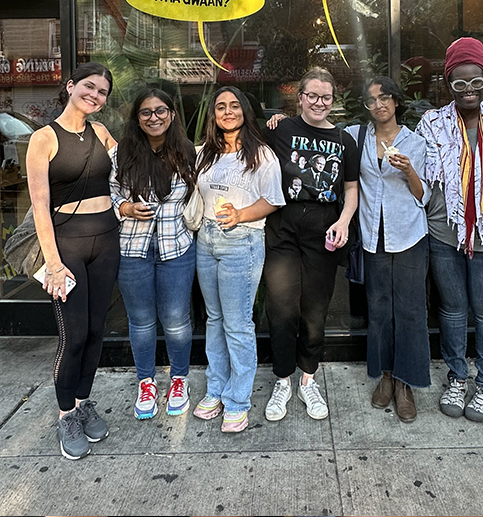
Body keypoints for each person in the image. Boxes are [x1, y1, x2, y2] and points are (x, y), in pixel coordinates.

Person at [416, 37, 483, 423]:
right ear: (448, 85)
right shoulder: (432, 123)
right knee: (453, 309)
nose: (468, 91)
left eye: (475, 82)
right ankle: (458, 377)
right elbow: (420, 172)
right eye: (459, 83)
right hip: (445, 232)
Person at [24, 62, 120, 461]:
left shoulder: (101, 132)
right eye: (89, 87)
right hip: (67, 248)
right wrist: (53, 264)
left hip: (106, 242)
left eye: (102, 92)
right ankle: (66, 415)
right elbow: (40, 206)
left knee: (97, 332)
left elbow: (135, 164)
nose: (95, 95)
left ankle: (83, 403)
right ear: (71, 86)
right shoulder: (43, 139)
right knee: (74, 335)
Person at [262, 67, 360, 423]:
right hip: (284, 224)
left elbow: (351, 189)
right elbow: (245, 153)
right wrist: (273, 120)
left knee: (315, 309)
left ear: (333, 100)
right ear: (299, 97)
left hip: (325, 227)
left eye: (326, 97)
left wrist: (343, 221)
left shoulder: (344, 140)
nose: (319, 102)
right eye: (313, 95)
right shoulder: (281, 129)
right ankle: (283, 380)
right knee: (282, 306)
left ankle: (308, 378)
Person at [191, 84, 284, 433]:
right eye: (220, 107)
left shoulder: (261, 154)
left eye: (233, 105)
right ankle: (216, 388)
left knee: (239, 324)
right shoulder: (206, 154)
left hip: (242, 240)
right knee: (214, 319)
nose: (227, 111)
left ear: (245, 110)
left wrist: (241, 214)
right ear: (213, 116)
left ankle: (238, 399)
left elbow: (273, 200)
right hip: (207, 240)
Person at [111, 87, 198, 422]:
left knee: (176, 322)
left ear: (172, 114)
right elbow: (108, 191)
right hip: (132, 250)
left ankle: (179, 379)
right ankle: (146, 382)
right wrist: (124, 206)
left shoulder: (187, 152)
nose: (154, 117)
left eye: (161, 111)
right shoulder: (122, 153)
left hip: (176, 248)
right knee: (141, 321)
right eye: (146, 112)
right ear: (137, 118)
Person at [349, 76, 430, 422]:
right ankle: (383, 375)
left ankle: (404, 383)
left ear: (396, 102)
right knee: (379, 309)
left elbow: (423, 195)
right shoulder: (357, 136)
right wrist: (280, 121)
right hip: (373, 235)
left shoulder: (416, 142)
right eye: (371, 100)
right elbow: (318, 129)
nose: (379, 104)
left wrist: (409, 169)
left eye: (385, 98)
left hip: (409, 234)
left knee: (410, 311)